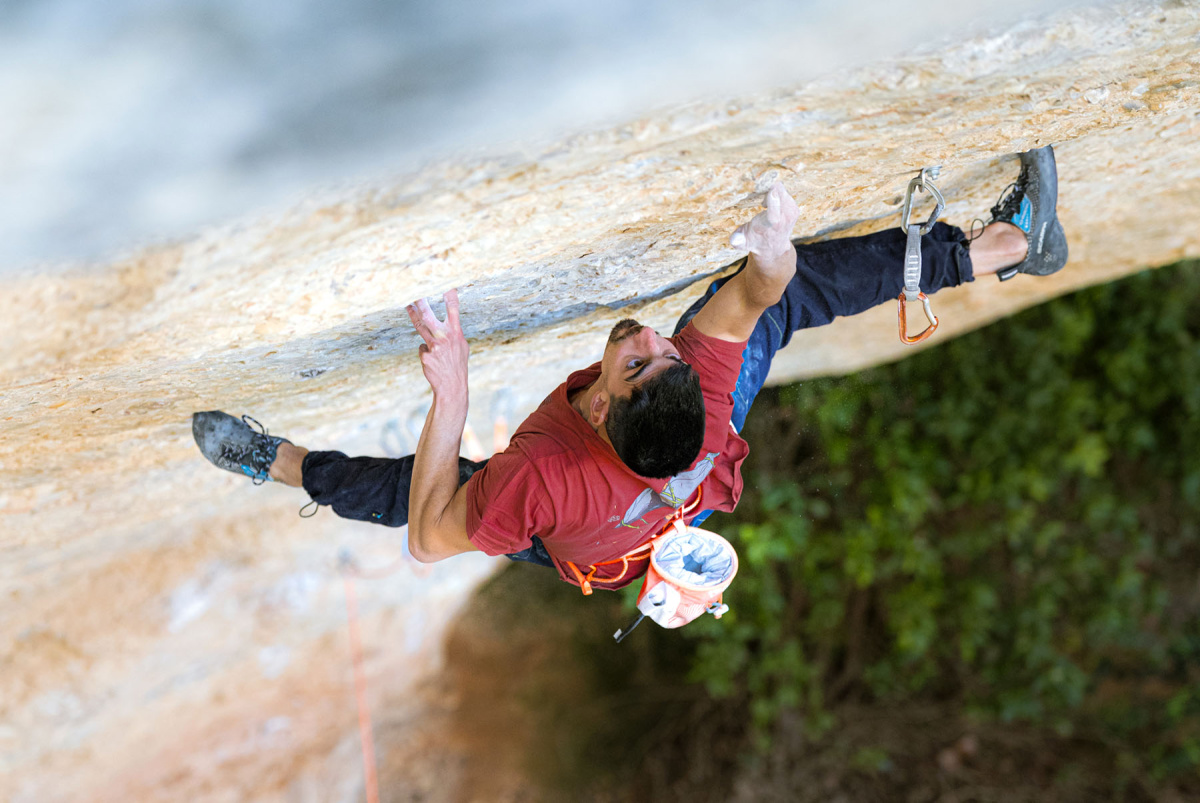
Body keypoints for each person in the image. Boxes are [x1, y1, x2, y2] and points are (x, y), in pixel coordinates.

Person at [193, 146, 1068, 592]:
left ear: (601, 409)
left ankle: (279, 463)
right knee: (791, 303)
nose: (649, 334)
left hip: (584, 532)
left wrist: (452, 391)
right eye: (662, 352)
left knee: (431, 491)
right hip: (658, 504)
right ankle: (1000, 248)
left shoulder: (541, 479)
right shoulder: (701, 392)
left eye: (636, 360)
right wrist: (771, 259)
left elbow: (429, 539)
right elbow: (765, 297)